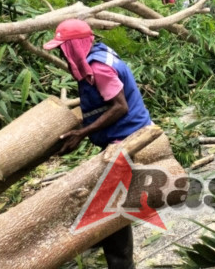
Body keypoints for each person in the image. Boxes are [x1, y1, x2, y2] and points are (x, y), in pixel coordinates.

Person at [43, 18, 153, 269]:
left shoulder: (100, 67)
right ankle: (102, 235)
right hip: (117, 137)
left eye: (63, 47)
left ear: (75, 47)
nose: (61, 52)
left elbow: (119, 107)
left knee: (112, 205)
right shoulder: (94, 59)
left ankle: (120, 260)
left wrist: (82, 133)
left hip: (128, 139)